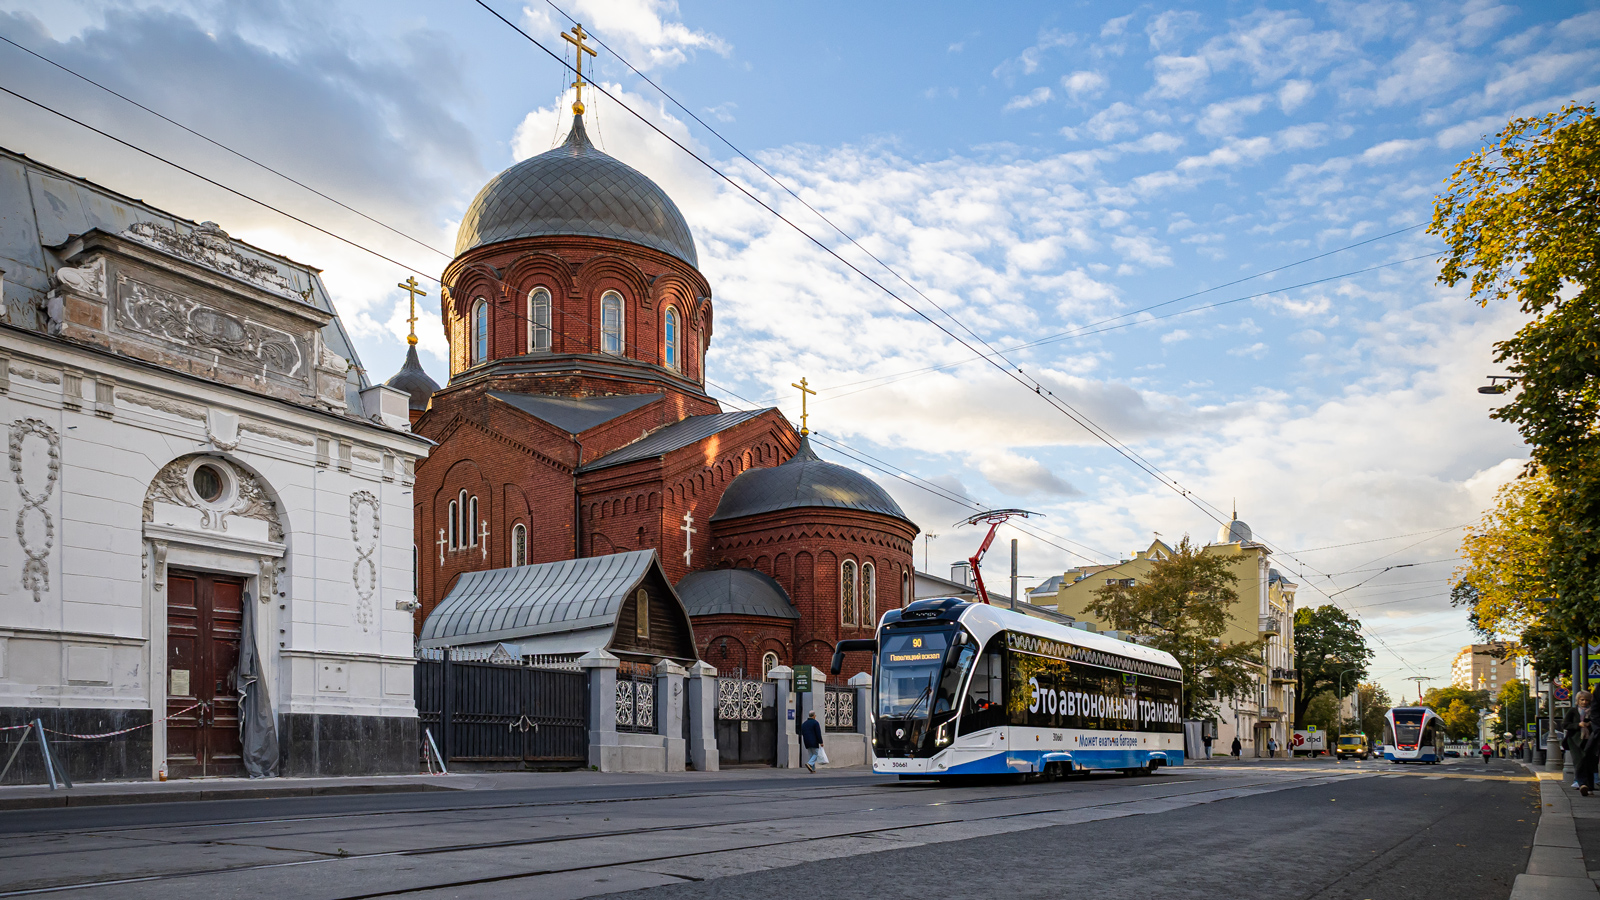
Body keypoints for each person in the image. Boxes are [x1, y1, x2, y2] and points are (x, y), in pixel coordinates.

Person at [1564, 692, 1600, 795]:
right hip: (1575, 741)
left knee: (1590, 762)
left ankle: (1590, 786)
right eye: (1582, 700)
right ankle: (1582, 784)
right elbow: (1565, 724)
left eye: (1587, 700)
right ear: (1578, 700)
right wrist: (1578, 725)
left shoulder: (1594, 711)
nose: (1584, 702)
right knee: (1579, 762)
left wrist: (1590, 724)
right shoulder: (1573, 711)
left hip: (1591, 740)